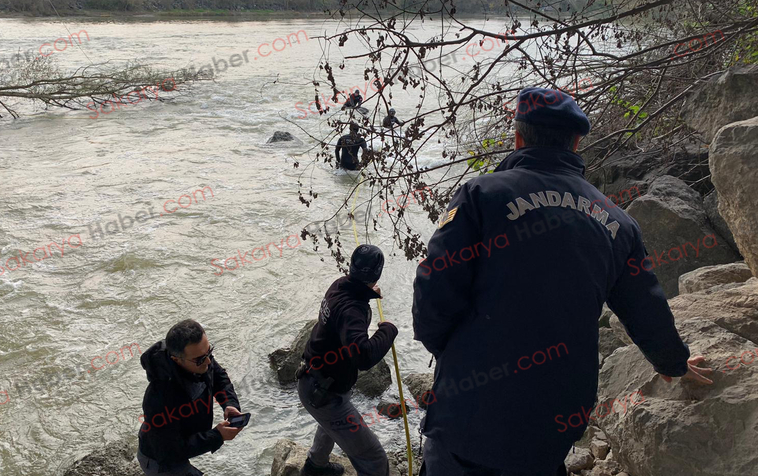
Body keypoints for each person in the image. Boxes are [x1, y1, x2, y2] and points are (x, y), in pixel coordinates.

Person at [411, 87, 714, 476]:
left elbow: (433, 290)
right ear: (576, 142)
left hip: (471, 409)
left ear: (518, 136)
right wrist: (676, 362)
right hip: (556, 416)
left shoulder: (480, 195)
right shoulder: (618, 223)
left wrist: (449, 351)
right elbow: (646, 307)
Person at [297, 244, 399, 476]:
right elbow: (363, 356)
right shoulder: (353, 308)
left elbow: (347, 313)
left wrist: (369, 292)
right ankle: (314, 468)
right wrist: (388, 331)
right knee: (374, 458)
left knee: (329, 425)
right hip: (324, 393)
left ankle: (316, 467)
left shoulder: (340, 286)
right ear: (377, 274)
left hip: (315, 381)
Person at [137, 319, 244, 476]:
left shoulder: (200, 359)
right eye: (201, 358)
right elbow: (171, 452)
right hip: (161, 460)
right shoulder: (159, 398)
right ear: (176, 360)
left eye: (210, 352)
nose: (208, 361)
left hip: (182, 438)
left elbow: (220, 378)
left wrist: (229, 404)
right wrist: (217, 436)